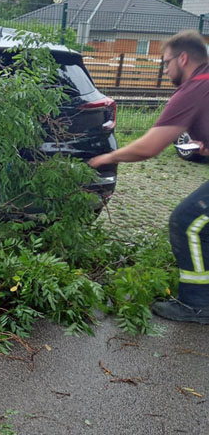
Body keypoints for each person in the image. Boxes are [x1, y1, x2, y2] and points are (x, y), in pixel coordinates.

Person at [89, 30, 209, 324]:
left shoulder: (195, 88)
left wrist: (106, 157)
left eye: (166, 63)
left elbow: (150, 147)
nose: (165, 70)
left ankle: (197, 304)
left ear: (183, 58)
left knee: (188, 222)